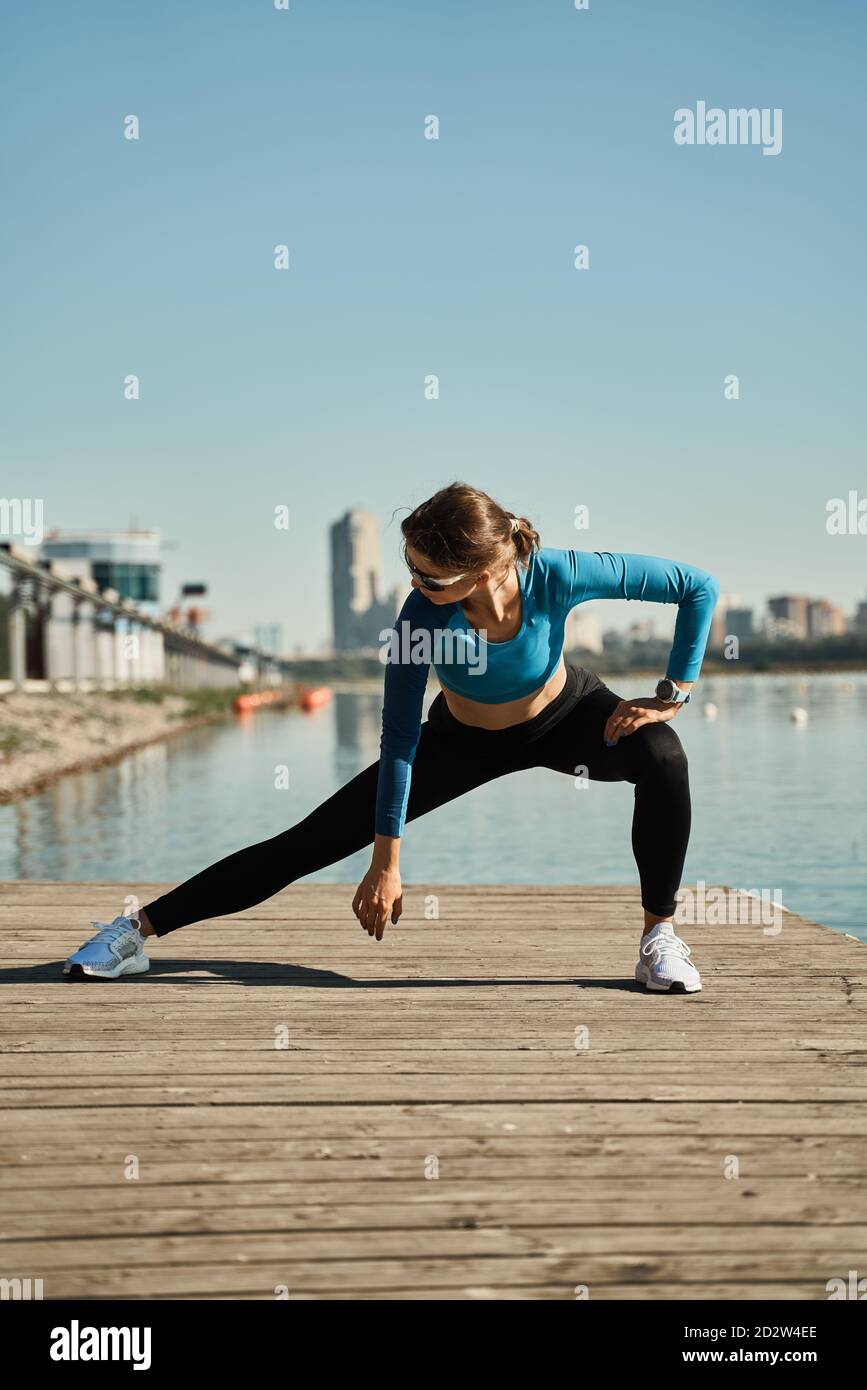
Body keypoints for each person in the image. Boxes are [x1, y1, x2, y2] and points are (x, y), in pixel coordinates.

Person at [64, 481, 720, 993]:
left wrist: (670, 696)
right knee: (300, 845)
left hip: (567, 718)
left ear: (489, 564)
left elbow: (696, 587)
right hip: (457, 741)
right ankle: (133, 931)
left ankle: (658, 939)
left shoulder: (559, 573)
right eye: (409, 567)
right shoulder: (419, 617)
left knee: (661, 756)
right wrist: (386, 860)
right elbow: (399, 737)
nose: (414, 585)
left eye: (429, 575)